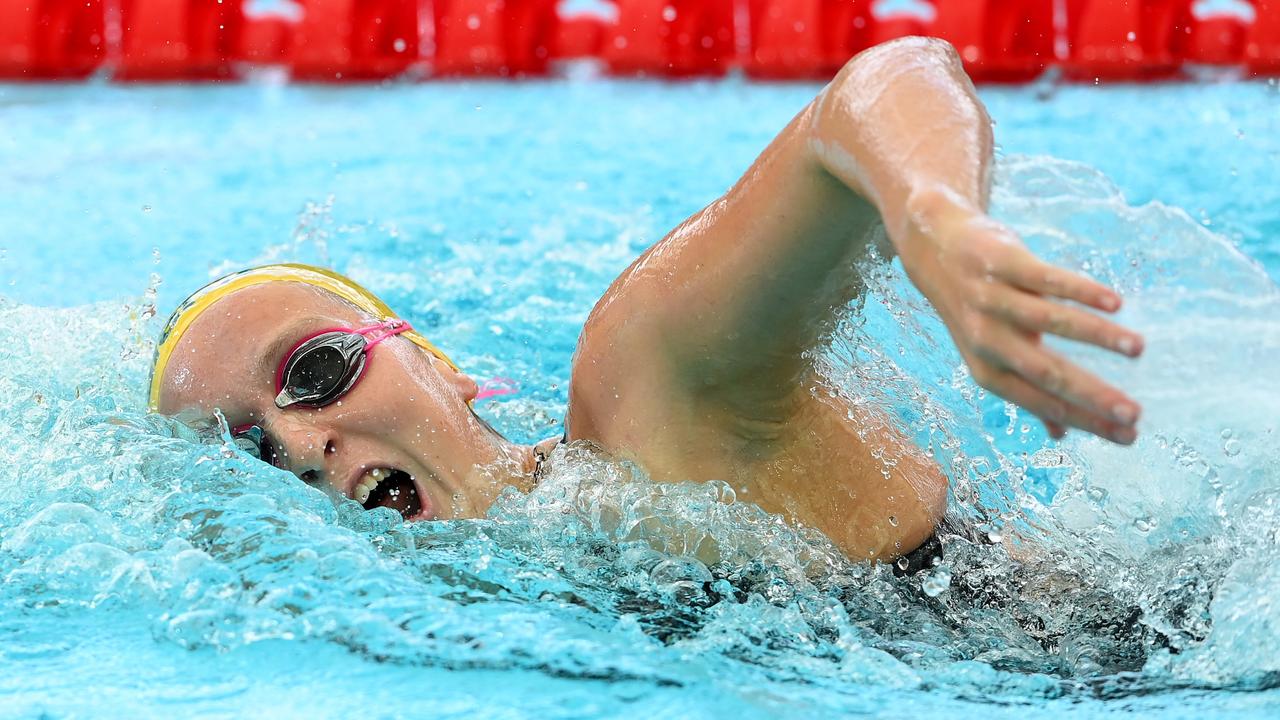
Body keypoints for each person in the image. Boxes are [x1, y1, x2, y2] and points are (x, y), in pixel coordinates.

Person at [150, 37, 1144, 564]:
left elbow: (884, 81)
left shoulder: (645, 402)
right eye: (244, 447)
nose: (293, 440)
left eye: (313, 372)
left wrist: (931, 216)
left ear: (442, 368)